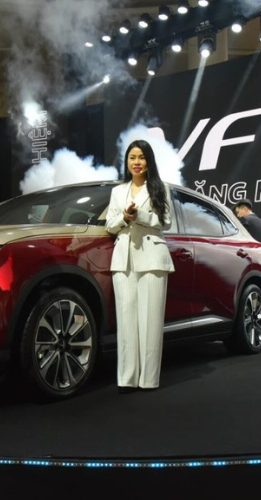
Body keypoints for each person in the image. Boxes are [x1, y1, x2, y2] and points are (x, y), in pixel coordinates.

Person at [106, 140, 175, 393]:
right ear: (126, 161)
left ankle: (149, 379)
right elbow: (109, 225)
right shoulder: (117, 191)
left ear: (149, 161)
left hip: (152, 256)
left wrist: (140, 216)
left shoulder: (160, 188)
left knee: (151, 321)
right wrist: (125, 218)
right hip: (123, 258)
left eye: (142, 157)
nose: (137, 162)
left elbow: (166, 221)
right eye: (132, 157)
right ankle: (127, 378)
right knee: (126, 322)